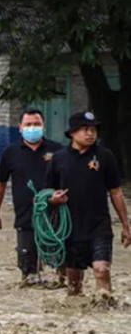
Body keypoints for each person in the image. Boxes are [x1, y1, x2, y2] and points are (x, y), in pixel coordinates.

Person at [46, 111, 131, 297]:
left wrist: (126, 225)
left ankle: (105, 309)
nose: (90, 134)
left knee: (101, 269)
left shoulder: (105, 156)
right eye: (85, 130)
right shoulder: (58, 159)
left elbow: (115, 191)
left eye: (93, 130)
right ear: (72, 133)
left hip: (99, 225)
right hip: (69, 227)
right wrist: (53, 199)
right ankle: (76, 317)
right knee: (74, 281)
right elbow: (47, 193)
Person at [0, 109, 63, 286]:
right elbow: (0, 185)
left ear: (43, 126)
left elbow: (68, 181)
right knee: (29, 272)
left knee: (61, 266)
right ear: (20, 128)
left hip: (55, 217)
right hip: (25, 218)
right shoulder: (11, 153)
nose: (33, 128)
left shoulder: (57, 150)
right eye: (28, 124)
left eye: (36, 124)